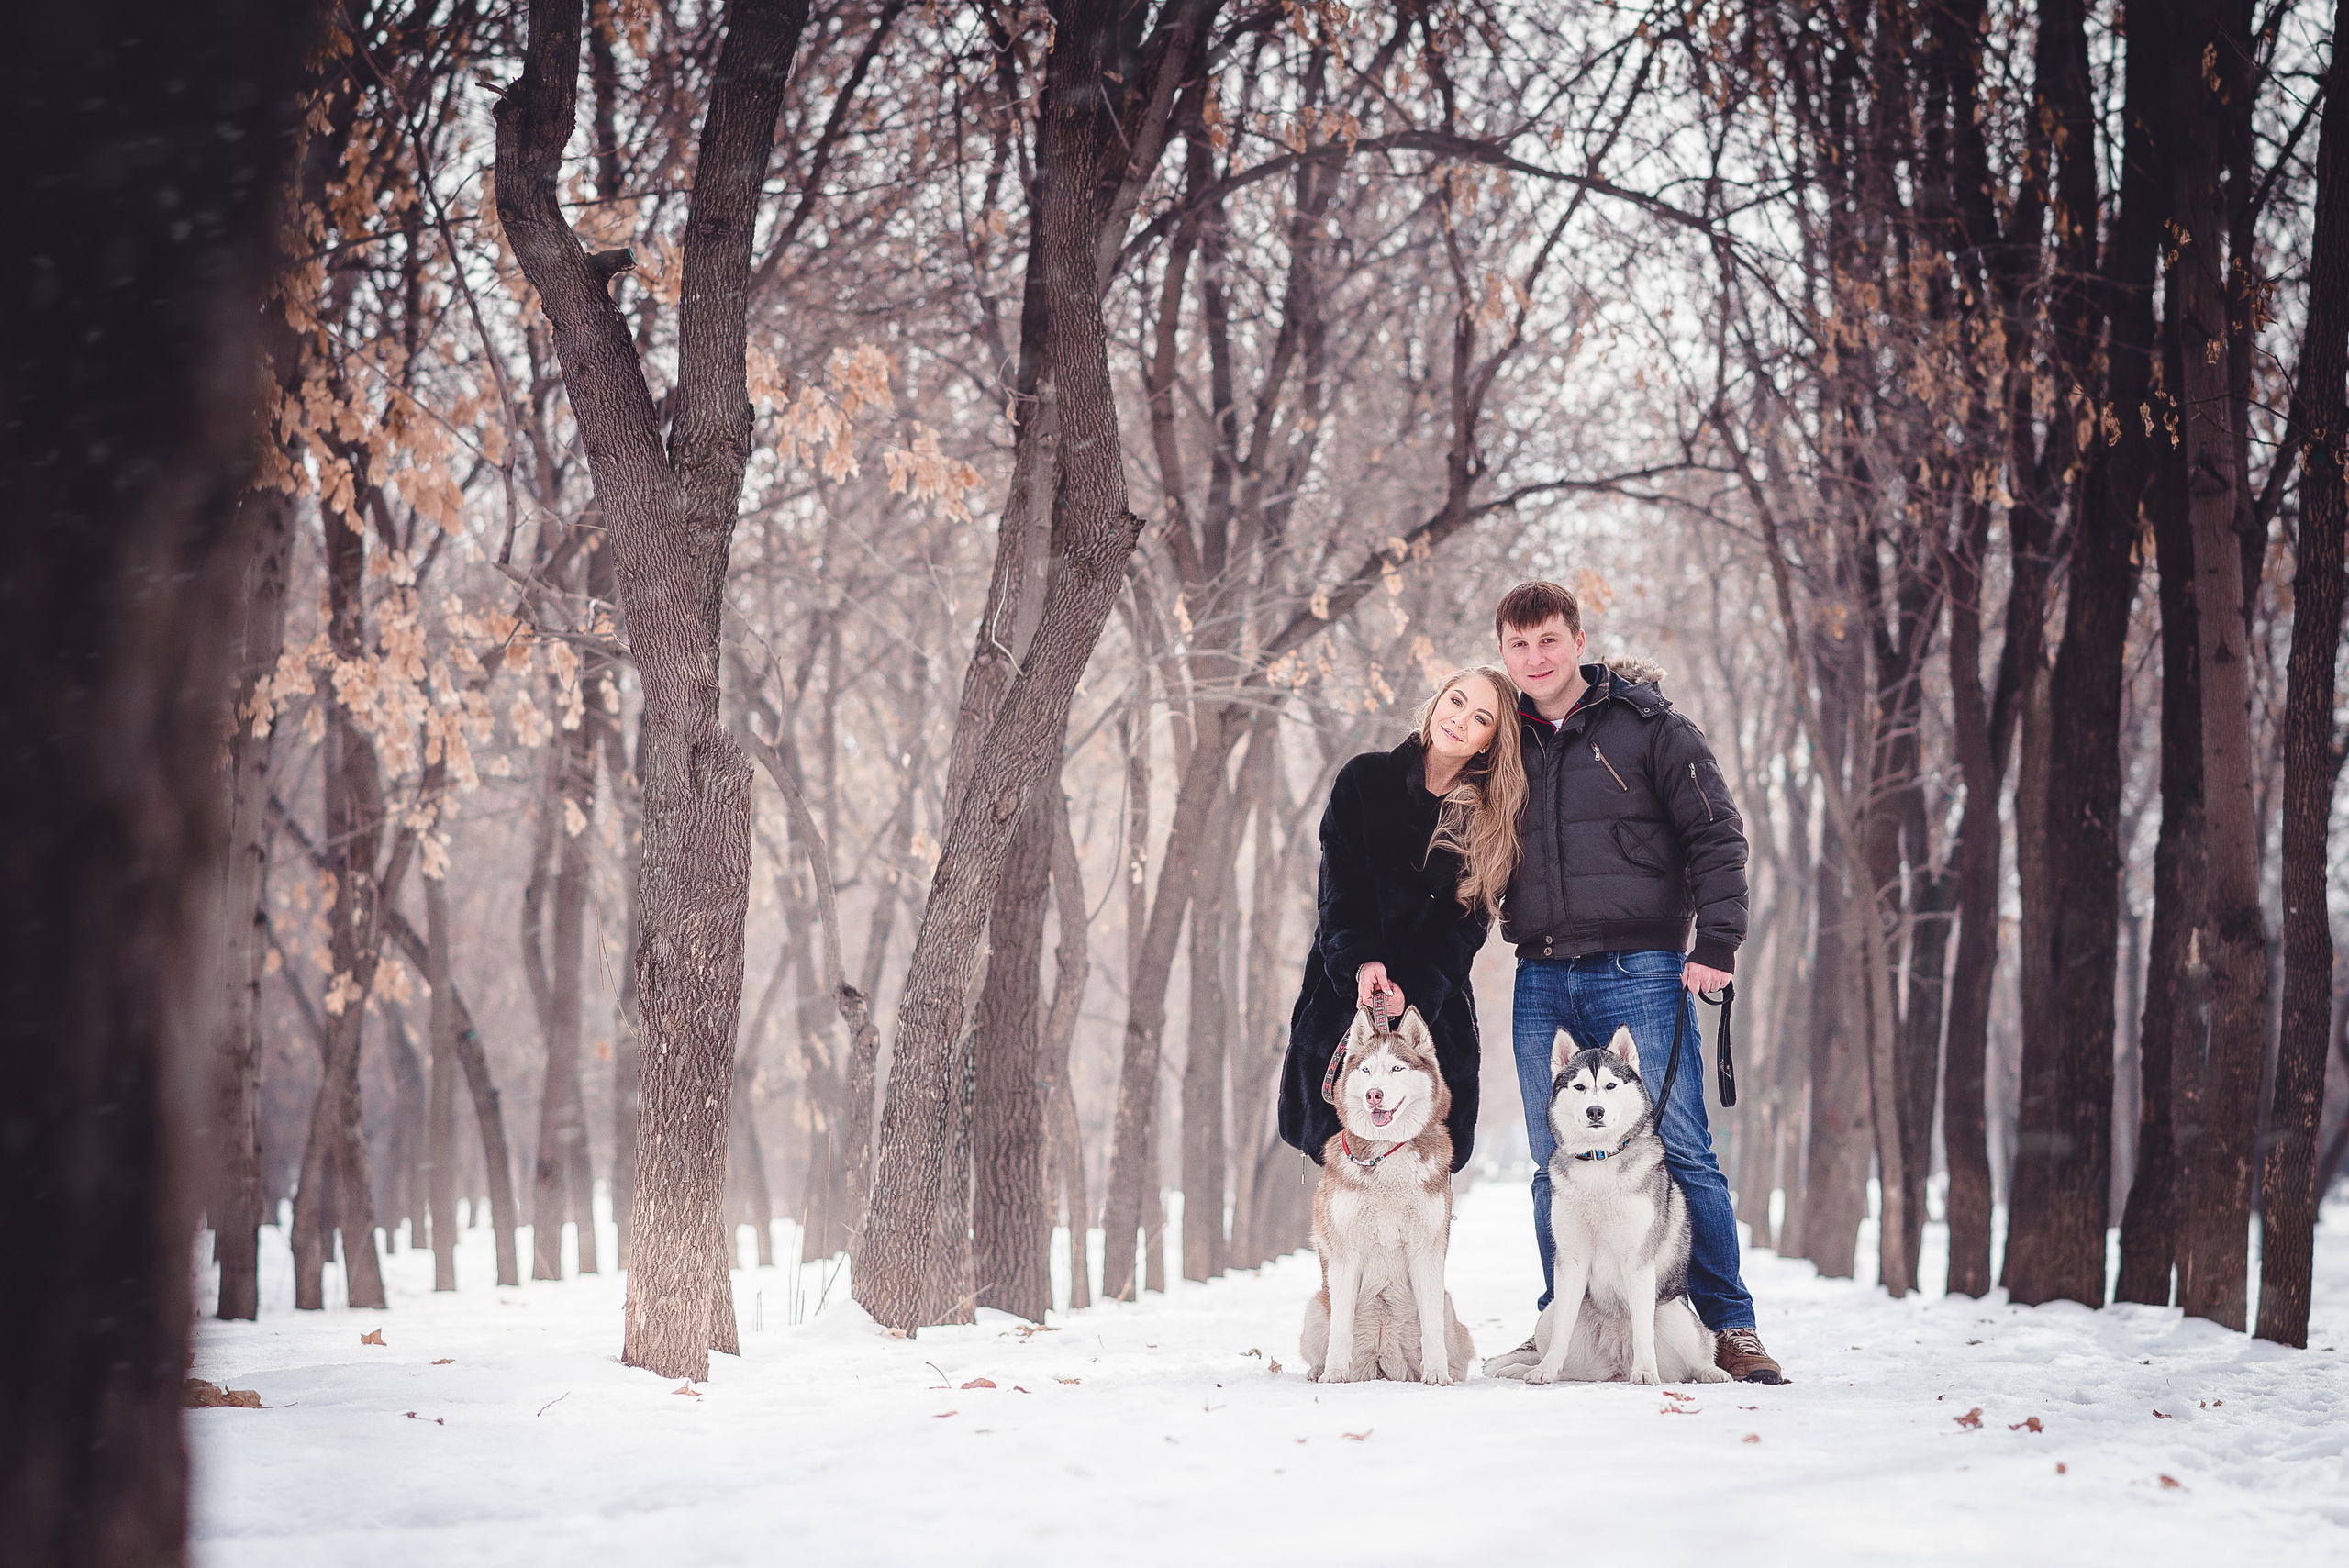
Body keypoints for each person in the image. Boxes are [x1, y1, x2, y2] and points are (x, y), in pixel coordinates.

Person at [1483, 580, 1785, 1385]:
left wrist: (1717, 941)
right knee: (1552, 1157)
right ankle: (1561, 1325)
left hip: (1641, 967)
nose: (1535, 658)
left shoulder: (1651, 727)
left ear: (1579, 641)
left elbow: (1716, 834)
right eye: (1518, 644)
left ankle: (1730, 1325)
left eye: (1549, 639)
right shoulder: (1501, 742)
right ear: (1502, 652)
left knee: (1680, 1147)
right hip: (1541, 970)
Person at [1278, 665, 1526, 1173]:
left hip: (1432, 1008)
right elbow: (1339, 890)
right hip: (1343, 994)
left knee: (1419, 1175)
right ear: (1438, 701)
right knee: (1342, 1172)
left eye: (1481, 719)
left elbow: (1465, 930)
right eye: (1456, 701)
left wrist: (1410, 990)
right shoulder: (1364, 780)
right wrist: (1362, 962)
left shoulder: (1490, 821)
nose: (1460, 720)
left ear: (1489, 743)